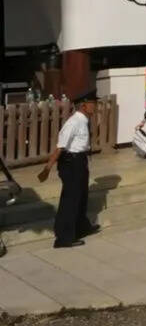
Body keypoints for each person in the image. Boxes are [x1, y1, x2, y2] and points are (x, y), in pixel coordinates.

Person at [37, 89, 100, 249]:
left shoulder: (84, 120)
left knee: (81, 196)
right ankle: (63, 237)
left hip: (80, 160)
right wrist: (47, 168)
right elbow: (60, 147)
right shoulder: (73, 122)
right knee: (70, 200)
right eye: (93, 104)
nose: (95, 106)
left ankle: (80, 228)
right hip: (71, 162)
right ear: (84, 106)